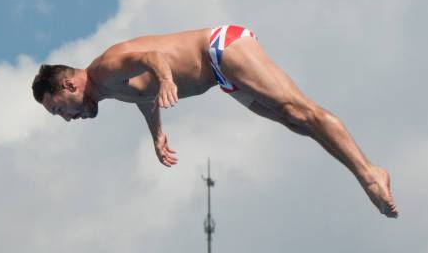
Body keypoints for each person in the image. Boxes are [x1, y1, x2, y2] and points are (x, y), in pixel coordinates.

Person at [32, 25, 398, 217]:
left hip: (221, 49)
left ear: (68, 84)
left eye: (59, 108)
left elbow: (153, 57)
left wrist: (167, 79)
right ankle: (364, 171)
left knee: (300, 110)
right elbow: (142, 98)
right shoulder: (106, 90)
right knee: (294, 123)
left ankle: (370, 174)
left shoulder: (105, 68)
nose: (67, 118)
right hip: (221, 78)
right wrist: (157, 133)